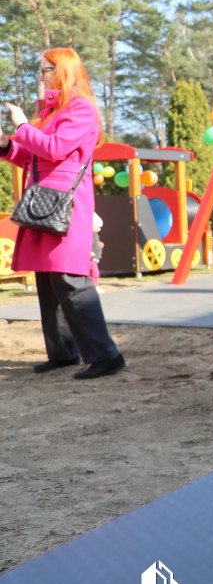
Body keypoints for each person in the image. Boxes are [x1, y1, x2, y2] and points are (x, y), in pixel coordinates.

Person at [0, 48, 125, 379]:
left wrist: (24, 124)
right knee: (47, 278)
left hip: (65, 207)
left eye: (44, 71)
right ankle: (63, 353)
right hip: (44, 204)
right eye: (39, 72)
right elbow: (32, 155)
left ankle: (106, 355)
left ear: (62, 72)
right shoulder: (53, 112)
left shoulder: (81, 111)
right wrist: (5, 145)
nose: (39, 78)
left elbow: (54, 148)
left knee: (70, 278)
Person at [90, 212, 105, 293]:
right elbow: (88, 243)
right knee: (94, 272)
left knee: (93, 272)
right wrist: (90, 251)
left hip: (94, 257)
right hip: (92, 258)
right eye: (98, 227)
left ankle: (94, 285)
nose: (100, 229)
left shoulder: (95, 234)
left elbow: (95, 243)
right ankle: (94, 286)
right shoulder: (90, 234)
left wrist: (99, 245)